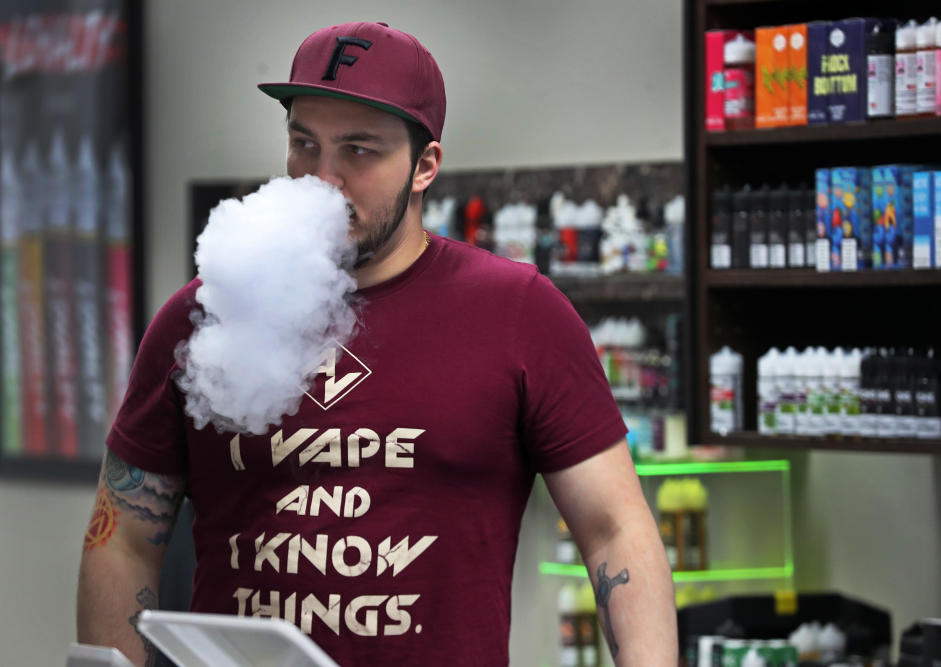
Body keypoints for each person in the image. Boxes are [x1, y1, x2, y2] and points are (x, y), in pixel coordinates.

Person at [76, 21, 677, 666]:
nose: (322, 178)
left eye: (358, 151)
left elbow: (615, 530)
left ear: (425, 166)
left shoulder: (519, 314)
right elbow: (125, 536)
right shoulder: (206, 313)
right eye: (304, 144)